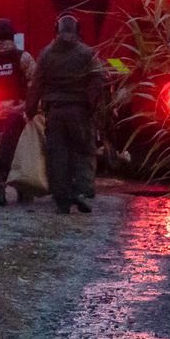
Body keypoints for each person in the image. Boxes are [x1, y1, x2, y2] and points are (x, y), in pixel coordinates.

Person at [25, 13, 106, 214]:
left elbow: (36, 84)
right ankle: (81, 191)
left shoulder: (46, 54)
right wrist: (93, 107)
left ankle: (61, 198)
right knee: (83, 151)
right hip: (79, 112)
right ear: (77, 30)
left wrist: (30, 110)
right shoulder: (87, 53)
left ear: (57, 30)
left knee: (57, 154)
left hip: (54, 112)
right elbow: (98, 81)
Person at [0, 18, 37, 206]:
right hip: (19, 114)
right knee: (20, 151)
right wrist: (31, 108)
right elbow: (34, 85)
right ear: (13, 35)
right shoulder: (23, 57)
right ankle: (23, 189)